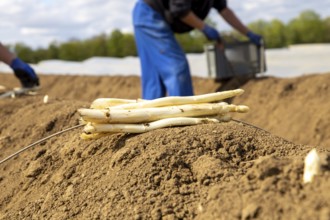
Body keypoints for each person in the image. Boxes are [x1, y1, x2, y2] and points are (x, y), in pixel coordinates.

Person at [133, 0, 262, 100]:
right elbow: (180, 10)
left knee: (154, 75)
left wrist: (248, 33)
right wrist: (205, 28)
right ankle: (184, 116)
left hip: (148, 15)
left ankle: (149, 122)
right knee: (176, 67)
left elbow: (224, 10)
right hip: (149, 14)